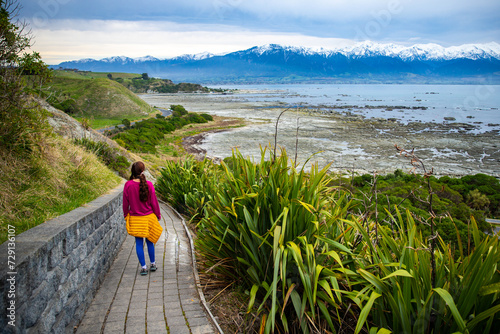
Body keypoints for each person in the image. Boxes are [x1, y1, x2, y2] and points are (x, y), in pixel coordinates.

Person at [123, 161, 163, 276]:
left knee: (139, 243)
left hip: (136, 219)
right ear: (143, 171)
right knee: (150, 242)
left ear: (133, 171)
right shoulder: (149, 184)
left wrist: (126, 215)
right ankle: (153, 264)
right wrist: (158, 215)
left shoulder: (128, 185)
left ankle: (144, 267)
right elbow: (154, 202)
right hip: (149, 218)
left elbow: (125, 203)